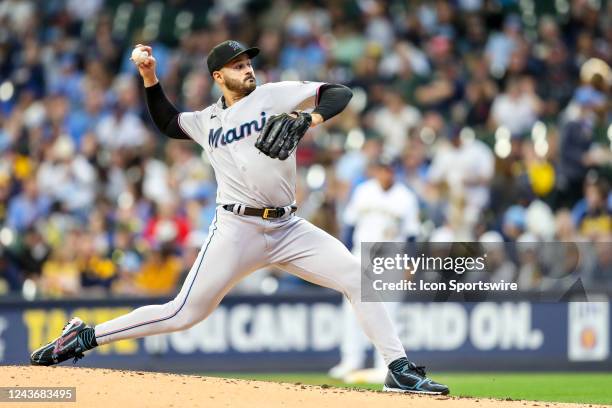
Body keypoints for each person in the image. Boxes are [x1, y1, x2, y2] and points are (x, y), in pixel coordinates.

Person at [29, 40, 449, 395]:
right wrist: (150, 77)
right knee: (183, 314)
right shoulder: (207, 120)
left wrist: (309, 118)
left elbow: (339, 92)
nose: (248, 69)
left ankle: (399, 369)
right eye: (238, 66)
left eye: (249, 63)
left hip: (288, 227)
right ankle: (83, 338)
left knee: (359, 280)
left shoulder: (275, 95)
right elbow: (168, 121)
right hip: (237, 228)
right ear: (218, 77)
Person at [329, 155, 420, 384]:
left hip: (391, 259)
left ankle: (387, 365)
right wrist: (344, 255)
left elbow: (411, 236)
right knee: (352, 311)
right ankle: (351, 361)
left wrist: (409, 264)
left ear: (395, 171)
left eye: (389, 169)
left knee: (390, 314)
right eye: (382, 169)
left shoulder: (406, 197)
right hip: (362, 256)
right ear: (376, 170)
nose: (385, 173)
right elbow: (349, 226)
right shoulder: (363, 191)